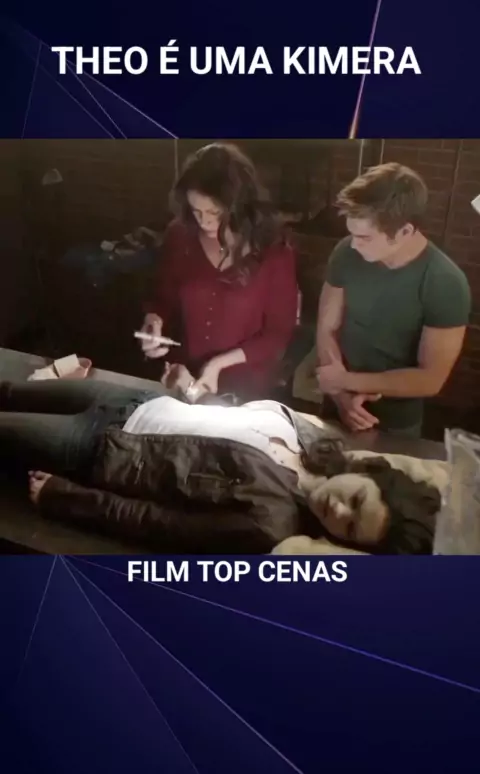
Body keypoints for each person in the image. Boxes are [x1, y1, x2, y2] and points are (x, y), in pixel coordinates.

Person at [0, 377, 440, 554]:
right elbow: (228, 418)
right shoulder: (315, 438)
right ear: (364, 475)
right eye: (356, 501)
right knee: (10, 389)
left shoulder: (269, 522)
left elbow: (159, 523)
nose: (338, 511)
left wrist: (66, 498)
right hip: (135, 399)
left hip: (97, 448)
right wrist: (192, 388)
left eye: (349, 528)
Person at [315, 163, 471, 437]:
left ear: (405, 232)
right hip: (335, 405)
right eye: (352, 233)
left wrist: (347, 381)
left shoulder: (445, 282)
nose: (354, 244)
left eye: (365, 237)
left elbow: (430, 379)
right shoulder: (346, 252)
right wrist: (341, 396)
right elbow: (327, 327)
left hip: (395, 423)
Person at [138, 142, 298, 401]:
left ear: (239, 205)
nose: (205, 221)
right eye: (196, 211)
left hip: (246, 388)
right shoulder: (180, 235)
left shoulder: (273, 249)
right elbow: (162, 299)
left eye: (214, 212)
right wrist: (153, 324)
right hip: (185, 379)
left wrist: (218, 364)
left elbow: (277, 334)